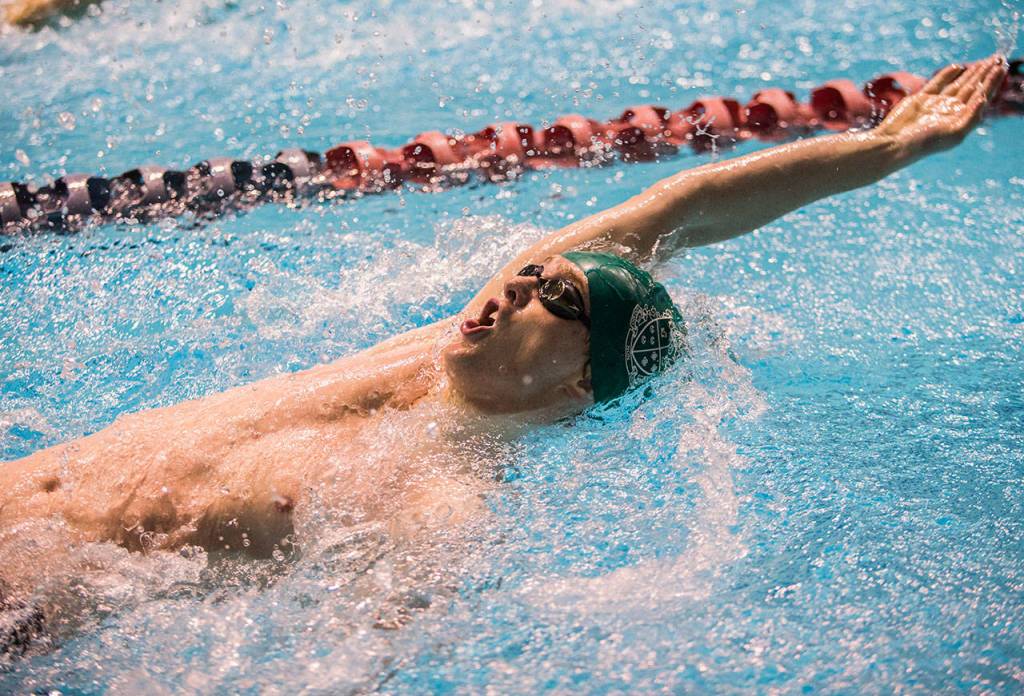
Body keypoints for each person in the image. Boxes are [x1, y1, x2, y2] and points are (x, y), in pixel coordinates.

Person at [0, 56, 1007, 640]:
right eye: (524, 274)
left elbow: (348, 663)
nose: (512, 285)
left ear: (579, 377)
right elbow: (684, 204)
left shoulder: (436, 507)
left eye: (550, 295)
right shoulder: (422, 351)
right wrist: (885, 147)